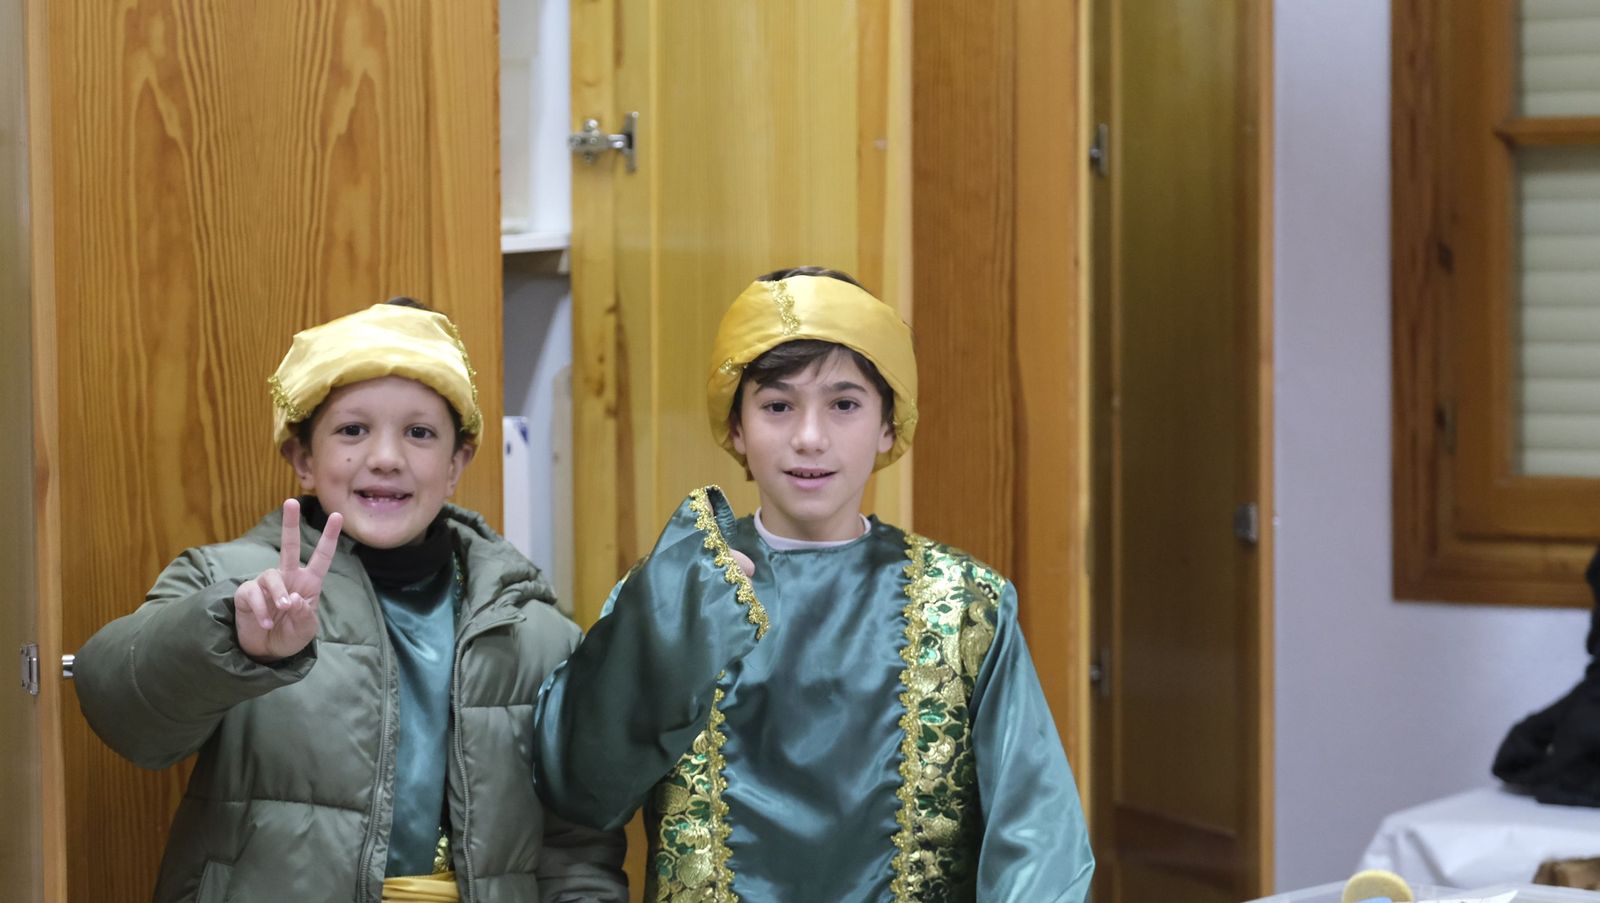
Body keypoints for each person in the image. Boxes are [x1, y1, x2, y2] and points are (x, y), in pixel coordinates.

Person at [532, 268, 1095, 901]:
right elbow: (578, 789)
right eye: (777, 405)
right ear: (737, 429)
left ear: (888, 425)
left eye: (844, 404)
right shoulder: (673, 589)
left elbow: (1038, 838)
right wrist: (659, 636)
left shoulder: (965, 604)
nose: (809, 437)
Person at [75, 299, 625, 903]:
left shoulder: (535, 630)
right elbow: (117, 704)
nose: (385, 457)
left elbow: (576, 847)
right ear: (303, 458)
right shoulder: (231, 585)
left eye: (419, 433)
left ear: (456, 464)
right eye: (352, 430)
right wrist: (236, 642)